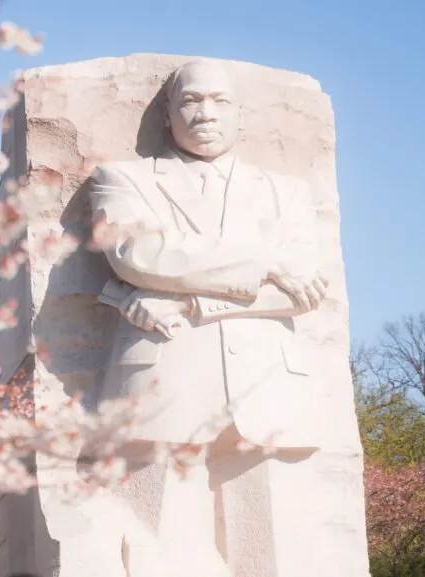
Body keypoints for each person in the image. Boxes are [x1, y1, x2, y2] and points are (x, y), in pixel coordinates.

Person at [89, 59, 328, 576]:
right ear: (168, 114)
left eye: (220, 101)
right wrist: (266, 262)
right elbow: (142, 253)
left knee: (274, 556)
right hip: (161, 379)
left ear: (241, 114)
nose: (205, 112)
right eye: (191, 100)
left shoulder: (286, 193)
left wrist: (190, 303)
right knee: (158, 549)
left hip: (267, 385)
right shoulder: (121, 179)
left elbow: (305, 289)